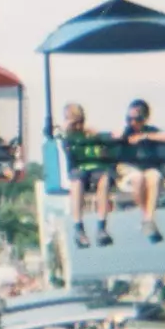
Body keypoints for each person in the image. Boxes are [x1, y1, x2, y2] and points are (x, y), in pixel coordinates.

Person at [115, 98, 165, 242]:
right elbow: (116, 138)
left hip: (148, 167)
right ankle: (146, 217)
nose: (133, 123)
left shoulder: (150, 132)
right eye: (129, 119)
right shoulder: (127, 132)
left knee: (154, 177)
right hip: (129, 168)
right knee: (138, 178)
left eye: (137, 119)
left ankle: (148, 219)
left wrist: (145, 136)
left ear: (145, 119)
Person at [61, 103, 115, 248]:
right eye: (75, 123)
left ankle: (102, 227)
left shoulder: (91, 134)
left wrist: (97, 139)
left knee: (104, 181)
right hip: (78, 169)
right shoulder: (66, 137)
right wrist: (68, 133)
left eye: (81, 122)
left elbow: (104, 150)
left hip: (96, 168)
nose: (78, 126)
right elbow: (66, 151)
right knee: (77, 184)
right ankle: (79, 228)